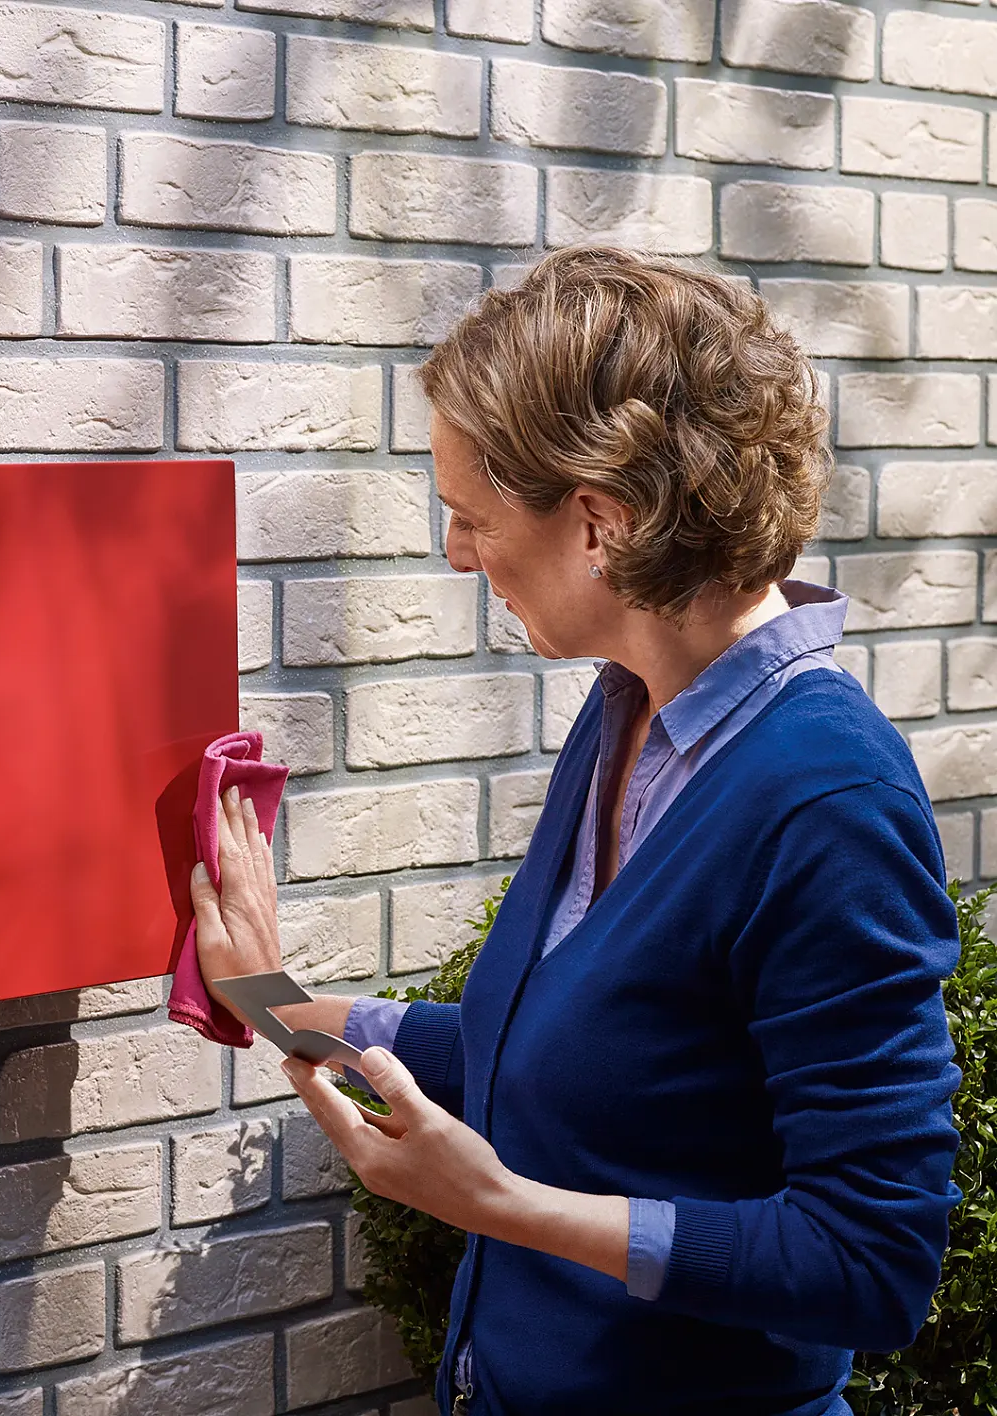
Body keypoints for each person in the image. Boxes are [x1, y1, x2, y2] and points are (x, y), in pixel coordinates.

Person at [190, 246, 961, 1416]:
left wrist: (501, 1207)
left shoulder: (824, 800)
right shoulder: (623, 717)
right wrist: (275, 1003)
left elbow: (868, 1266)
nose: (456, 554)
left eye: (470, 515)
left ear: (597, 522)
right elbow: (553, 1060)